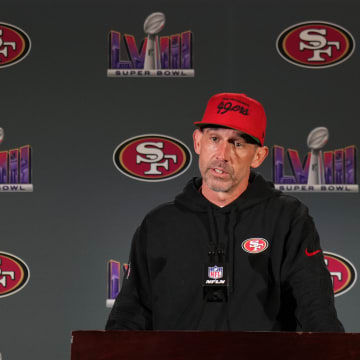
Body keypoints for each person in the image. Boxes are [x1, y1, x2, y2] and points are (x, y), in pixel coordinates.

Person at [106, 93, 344, 332]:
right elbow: (129, 318)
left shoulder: (288, 219)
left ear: (259, 156)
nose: (222, 155)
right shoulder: (159, 225)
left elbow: (316, 311)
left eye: (237, 143)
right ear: (198, 142)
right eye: (214, 138)